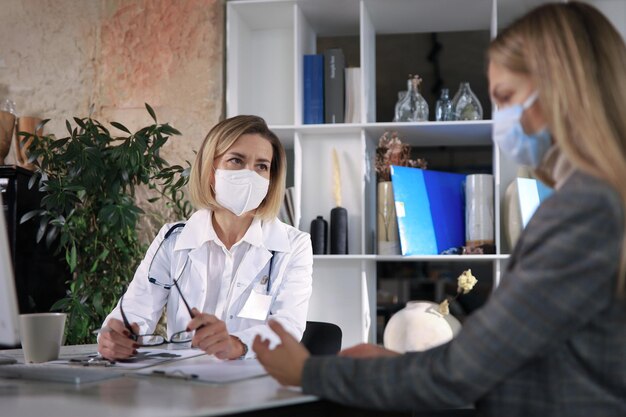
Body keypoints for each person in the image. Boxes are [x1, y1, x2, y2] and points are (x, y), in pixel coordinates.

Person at [253, 2, 626, 416]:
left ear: (562, 88)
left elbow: (460, 374)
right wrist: (404, 367)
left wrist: (307, 372)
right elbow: (515, 360)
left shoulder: (585, 210)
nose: (500, 118)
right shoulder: (599, 201)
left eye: (505, 98)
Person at [98, 115, 313, 361]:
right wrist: (114, 337)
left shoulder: (294, 245)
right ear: (210, 171)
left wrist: (237, 344)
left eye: (261, 166)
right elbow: (133, 313)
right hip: (185, 383)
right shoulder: (172, 239)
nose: (250, 175)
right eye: (236, 160)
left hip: (254, 382)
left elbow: (288, 327)